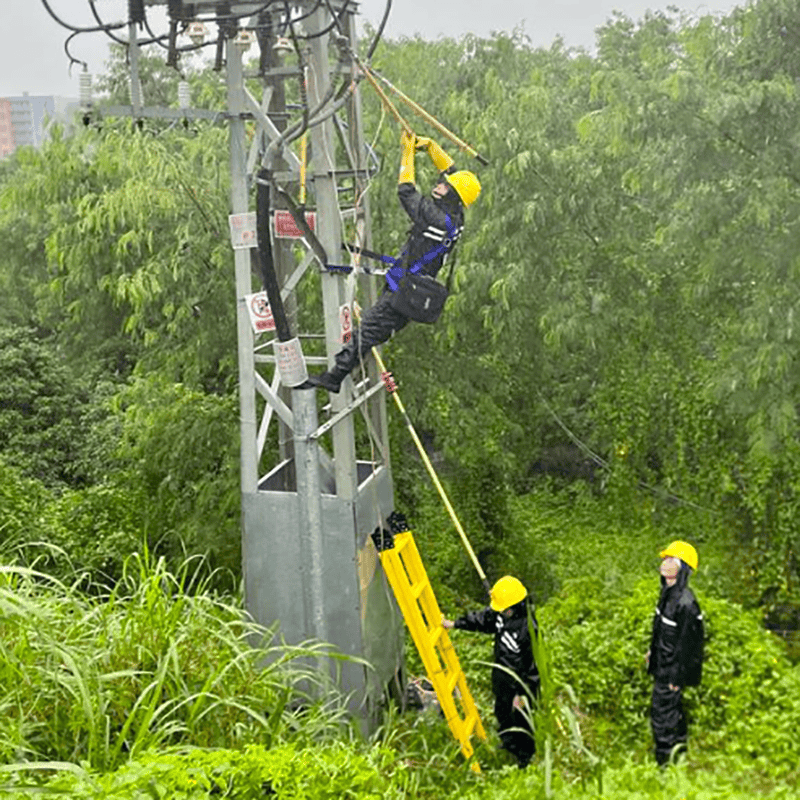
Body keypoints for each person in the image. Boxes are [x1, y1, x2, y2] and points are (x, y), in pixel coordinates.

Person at [301, 130, 481, 393]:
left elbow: (406, 191)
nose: (440, 184)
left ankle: (335, 376)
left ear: (452, 195)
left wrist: (407, 153)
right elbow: (450, 169)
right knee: (373, 330)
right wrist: (430, 147)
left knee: (369, 330)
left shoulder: (436, 219)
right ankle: (337, 376)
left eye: (445, 186)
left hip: (406, 288)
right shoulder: (454, 215)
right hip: (409, 283)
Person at [442, 575, 539, 768]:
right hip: (502, 676)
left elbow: (532, 666)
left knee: (522, 721)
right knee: (502, 713)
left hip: (520, 682)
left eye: (505, 610)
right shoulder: (501, 615)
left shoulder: (528, 629)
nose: (502, 613)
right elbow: (483, 620)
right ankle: (508, 748)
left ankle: (524, 759)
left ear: (517, 606)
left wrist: (523, 693)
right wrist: (454, 624)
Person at [646, 540, 705, 766]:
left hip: (671, 672)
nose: (664, 563)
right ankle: (678, 756)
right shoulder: (667, 594)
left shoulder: (686, 603)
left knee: (663, 717)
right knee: (672, 713)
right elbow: (662, 631)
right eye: (664, 558)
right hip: (663, 666)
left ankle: (665, 766)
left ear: (681, 568)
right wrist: (652, 653)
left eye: (670, 559)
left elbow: (689, 647)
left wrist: (676, 679)